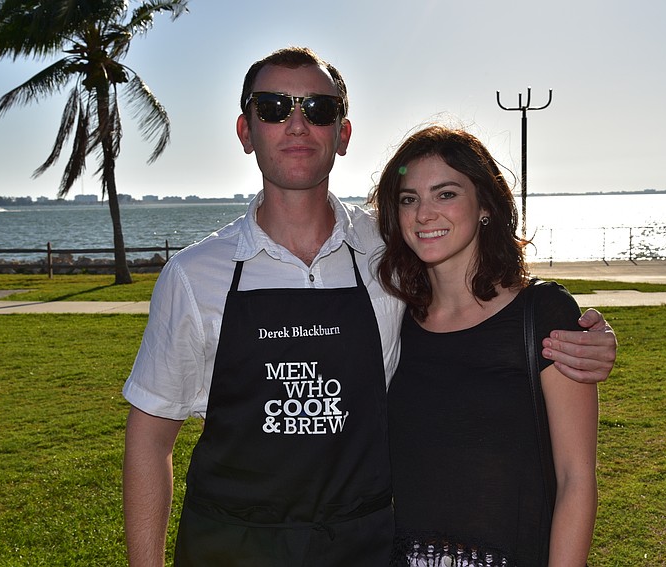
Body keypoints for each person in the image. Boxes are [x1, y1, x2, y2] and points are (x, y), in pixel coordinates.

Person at [122, 47, 615, 567]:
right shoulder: (194, 276)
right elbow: (150, 441)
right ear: (246, 131)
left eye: (317, 109)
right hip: (229, 548)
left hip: (362, 549)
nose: (295, 124)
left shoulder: (390, 255)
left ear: (343, 133)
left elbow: (484, 303)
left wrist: (589, 336)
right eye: (272, 107)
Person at [372, 125, 599, 566]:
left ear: (485, 207)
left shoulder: (543, 314)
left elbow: (577, 479)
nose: (423, 214)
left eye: (446, 194)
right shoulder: (395, 321)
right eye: (408, 198)